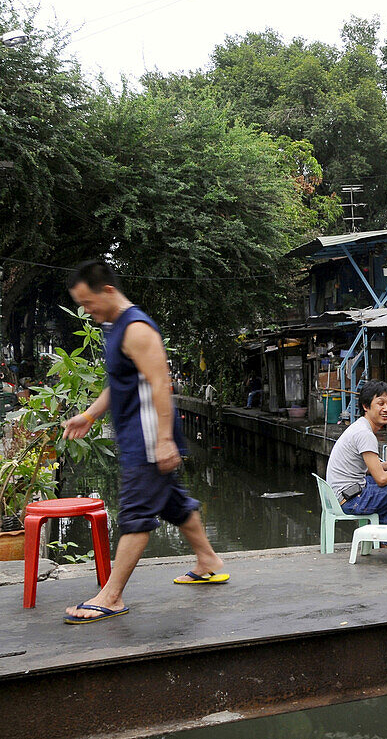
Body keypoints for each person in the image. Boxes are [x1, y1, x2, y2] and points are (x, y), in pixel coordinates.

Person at [60, 261, 227, 625]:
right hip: (140, 437)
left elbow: (159, 384)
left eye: (88, 302)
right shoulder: (114, 328)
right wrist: (89, 416)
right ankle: (208, 560)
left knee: (135, 514)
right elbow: (119, 382)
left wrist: (165, 440)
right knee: (174, 503)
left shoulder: (136, 328)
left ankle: (112, 595)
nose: (86, 310)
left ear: (107, 291)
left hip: (150, 439)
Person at [326, 380, 387, 527]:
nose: (386, 409)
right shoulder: (365, 434)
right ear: (366, 406)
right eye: (380, 404)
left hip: (344, 495)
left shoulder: (360, 427)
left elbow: (371, 470)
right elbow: (381, 478)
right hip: (352, 500)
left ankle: (384, 531)